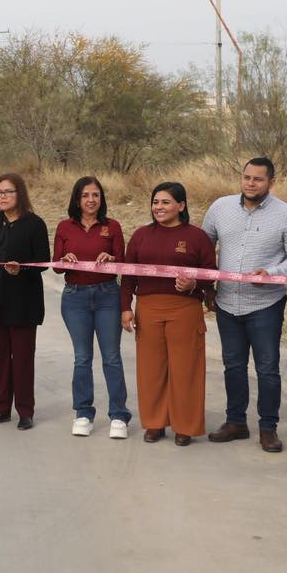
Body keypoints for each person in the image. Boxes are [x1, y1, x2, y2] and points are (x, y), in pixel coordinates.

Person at [200, 157, 287, 453]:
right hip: (226, 302)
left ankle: (268, 428)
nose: (250, 183)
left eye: (258, 179)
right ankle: (235, 422)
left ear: (271, 182)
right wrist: (207, 285)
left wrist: (272, 274)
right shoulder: (219, 208)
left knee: (267, 368)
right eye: (246, 177)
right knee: (233, 365)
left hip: (265, 304)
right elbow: (203, 247)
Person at [120, 182, 216, 446]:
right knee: (151, 369)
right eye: (155, 202)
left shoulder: (197, 237)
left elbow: (211, 274)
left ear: (181, 206)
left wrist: (194, 284)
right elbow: (128, 275)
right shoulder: (141, 235)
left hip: (185, 309)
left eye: (165, 202)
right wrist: (126, 307)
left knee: (186, 369)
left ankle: (185, 425)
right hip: (149, 308)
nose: (158, 207)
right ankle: (155, 423)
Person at [52, 175, 131, 439]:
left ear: (102, 199)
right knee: (82, 358)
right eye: (85, 195)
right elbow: (55, 265)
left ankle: (119, 415)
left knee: (111, 357)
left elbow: (123, 263)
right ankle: (83, 412)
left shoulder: (113, 226)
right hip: (75, 298)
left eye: (96, 195)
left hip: (108, 295)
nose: (91, 200)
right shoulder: (65, 227)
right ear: (77, 199)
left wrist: (111, 258)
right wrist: (65, 259)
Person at [0, 173, 48, 431]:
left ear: (20, 194)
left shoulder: (35, 224)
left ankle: (25, 411)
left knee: (23, 358)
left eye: (8, 192)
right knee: (0, 357)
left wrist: (21, 270)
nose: (2, 197)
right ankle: (1, 408)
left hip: (24, 302)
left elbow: (43, 262)